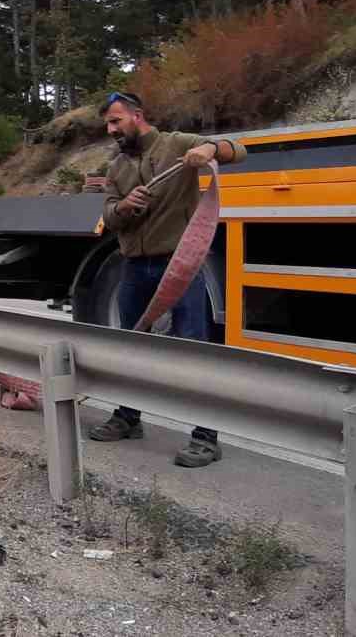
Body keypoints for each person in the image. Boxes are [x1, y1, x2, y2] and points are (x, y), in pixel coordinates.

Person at [88, 91, 246, 468]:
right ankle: (128, 418)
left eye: (116, 121)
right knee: (130, 346)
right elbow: (109, 215)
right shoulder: (116, 169)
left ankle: (206, 439)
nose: (111, 129)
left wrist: (209, 150)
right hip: (134, 268)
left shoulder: (176, 144)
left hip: (180, 264)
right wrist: (124, 207)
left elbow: (237, 149)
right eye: (108, 124)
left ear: (137, 115)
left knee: (192, 348)